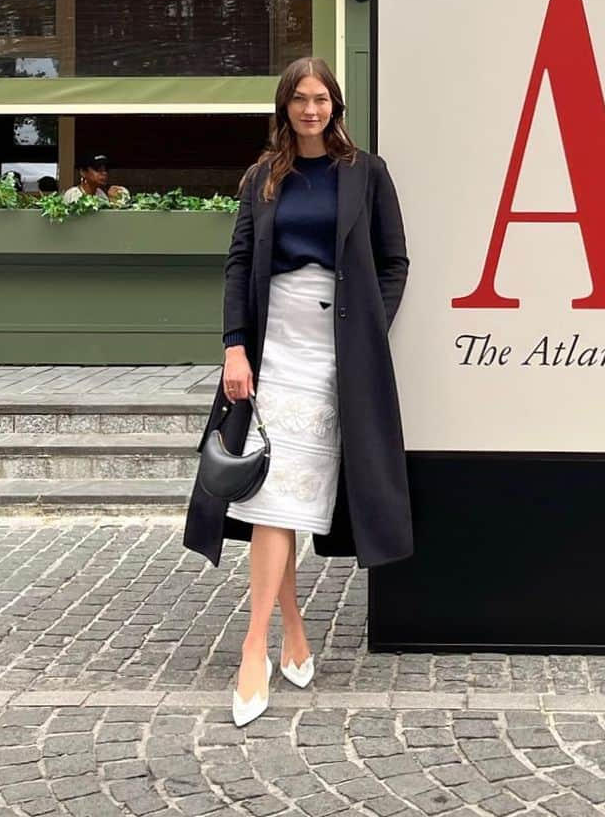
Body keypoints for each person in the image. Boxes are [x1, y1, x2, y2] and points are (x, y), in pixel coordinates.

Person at [181, 56, 411, 728]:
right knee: (271, 496)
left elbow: (394, 260)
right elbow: (237, 264)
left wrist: (369, 328)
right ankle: (261, 646)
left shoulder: (366, 173)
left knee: (284, 500)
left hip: (334, 351)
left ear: (335, 106)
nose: (311, 109)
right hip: (271, 346)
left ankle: (285, 634)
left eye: (322, 99)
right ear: (284, 107)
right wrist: (234, 347)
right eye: (300, 100)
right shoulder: (262, 178)